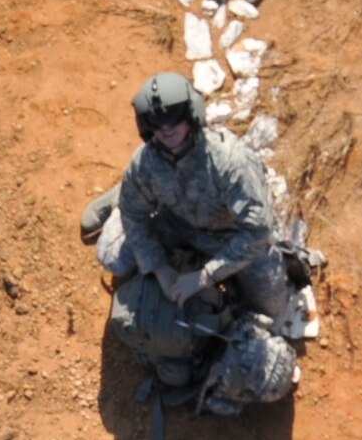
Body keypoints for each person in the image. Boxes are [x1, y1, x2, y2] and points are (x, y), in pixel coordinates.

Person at [115, 71, 294, 321]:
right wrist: (159, 268)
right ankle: (119, 200)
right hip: (178, 225)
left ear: (191, 114)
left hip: (229, 236)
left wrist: (205, 276)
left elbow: (257, 232)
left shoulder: (229, 161)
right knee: (111, 256)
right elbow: (133, 213)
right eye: (157, 123)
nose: (166, 130)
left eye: (174, 118)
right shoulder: (145, 162)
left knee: (273, 307)